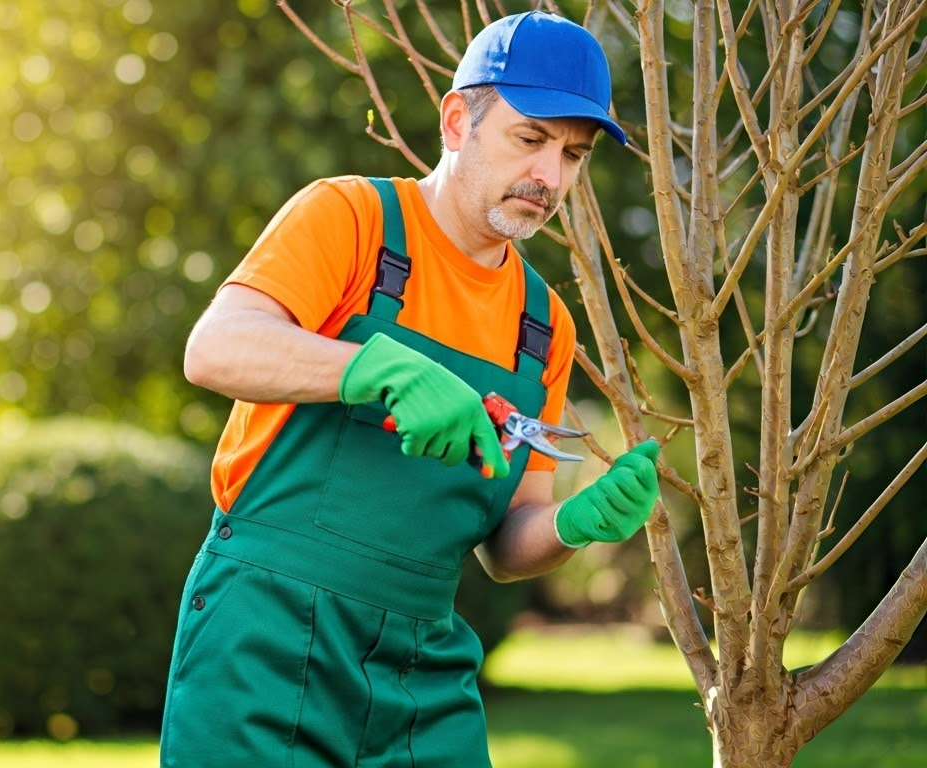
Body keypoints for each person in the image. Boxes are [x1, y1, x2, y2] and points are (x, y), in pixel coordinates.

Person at [159, 11, 661, 768]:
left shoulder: (542, 325)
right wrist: (373, 368)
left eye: (574, 155)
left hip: (423, 668)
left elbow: (507, 544)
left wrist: (573, 524)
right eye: (530, 140)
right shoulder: (353, 218)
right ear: (458, 121)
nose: (550, 178)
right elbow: (216, 347)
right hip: (266, 632)